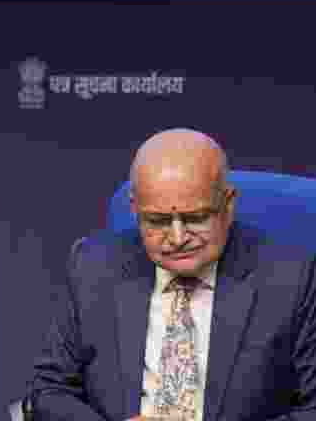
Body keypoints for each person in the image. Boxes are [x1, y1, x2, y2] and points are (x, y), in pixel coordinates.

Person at [29, 128, 316, 421]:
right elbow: (48, 390)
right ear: (134, 209)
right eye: (158, 221)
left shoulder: (291, 277)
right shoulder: (91, 268)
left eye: (195, 218)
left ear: (228, 204)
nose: (177, 238)